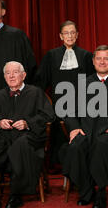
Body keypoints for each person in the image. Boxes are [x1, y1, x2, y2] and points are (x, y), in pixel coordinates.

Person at [0, 61, 55, 208]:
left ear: (23, 75)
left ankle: (16, 195)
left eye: (15, 72)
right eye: (8, 73)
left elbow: (48, 116)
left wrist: (27, 123)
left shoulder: (35, 93)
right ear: (4, 77)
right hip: (3, 136)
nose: (11, 76)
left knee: (20, 146)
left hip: (28, 136)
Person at [60, 45, 108, 208]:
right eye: (99, 58)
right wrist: (75, 127)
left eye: (106, 58)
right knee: (76, 147)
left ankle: (101, 192)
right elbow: (69, 110)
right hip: (85, 132)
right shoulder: (82, 83)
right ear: (93, 61)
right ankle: (86, 190)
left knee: (101, 145)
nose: (102, 61)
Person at [34, 20, 94, 172]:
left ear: (77, 35)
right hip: (59, 104)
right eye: (66, 33)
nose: (69, 36)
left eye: (73, 32)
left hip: (82, 104)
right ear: (60, 36)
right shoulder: (51, 56)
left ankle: (82, 160)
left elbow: (92, 82)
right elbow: (41, 81)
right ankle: (62, 163)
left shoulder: (86, 55)